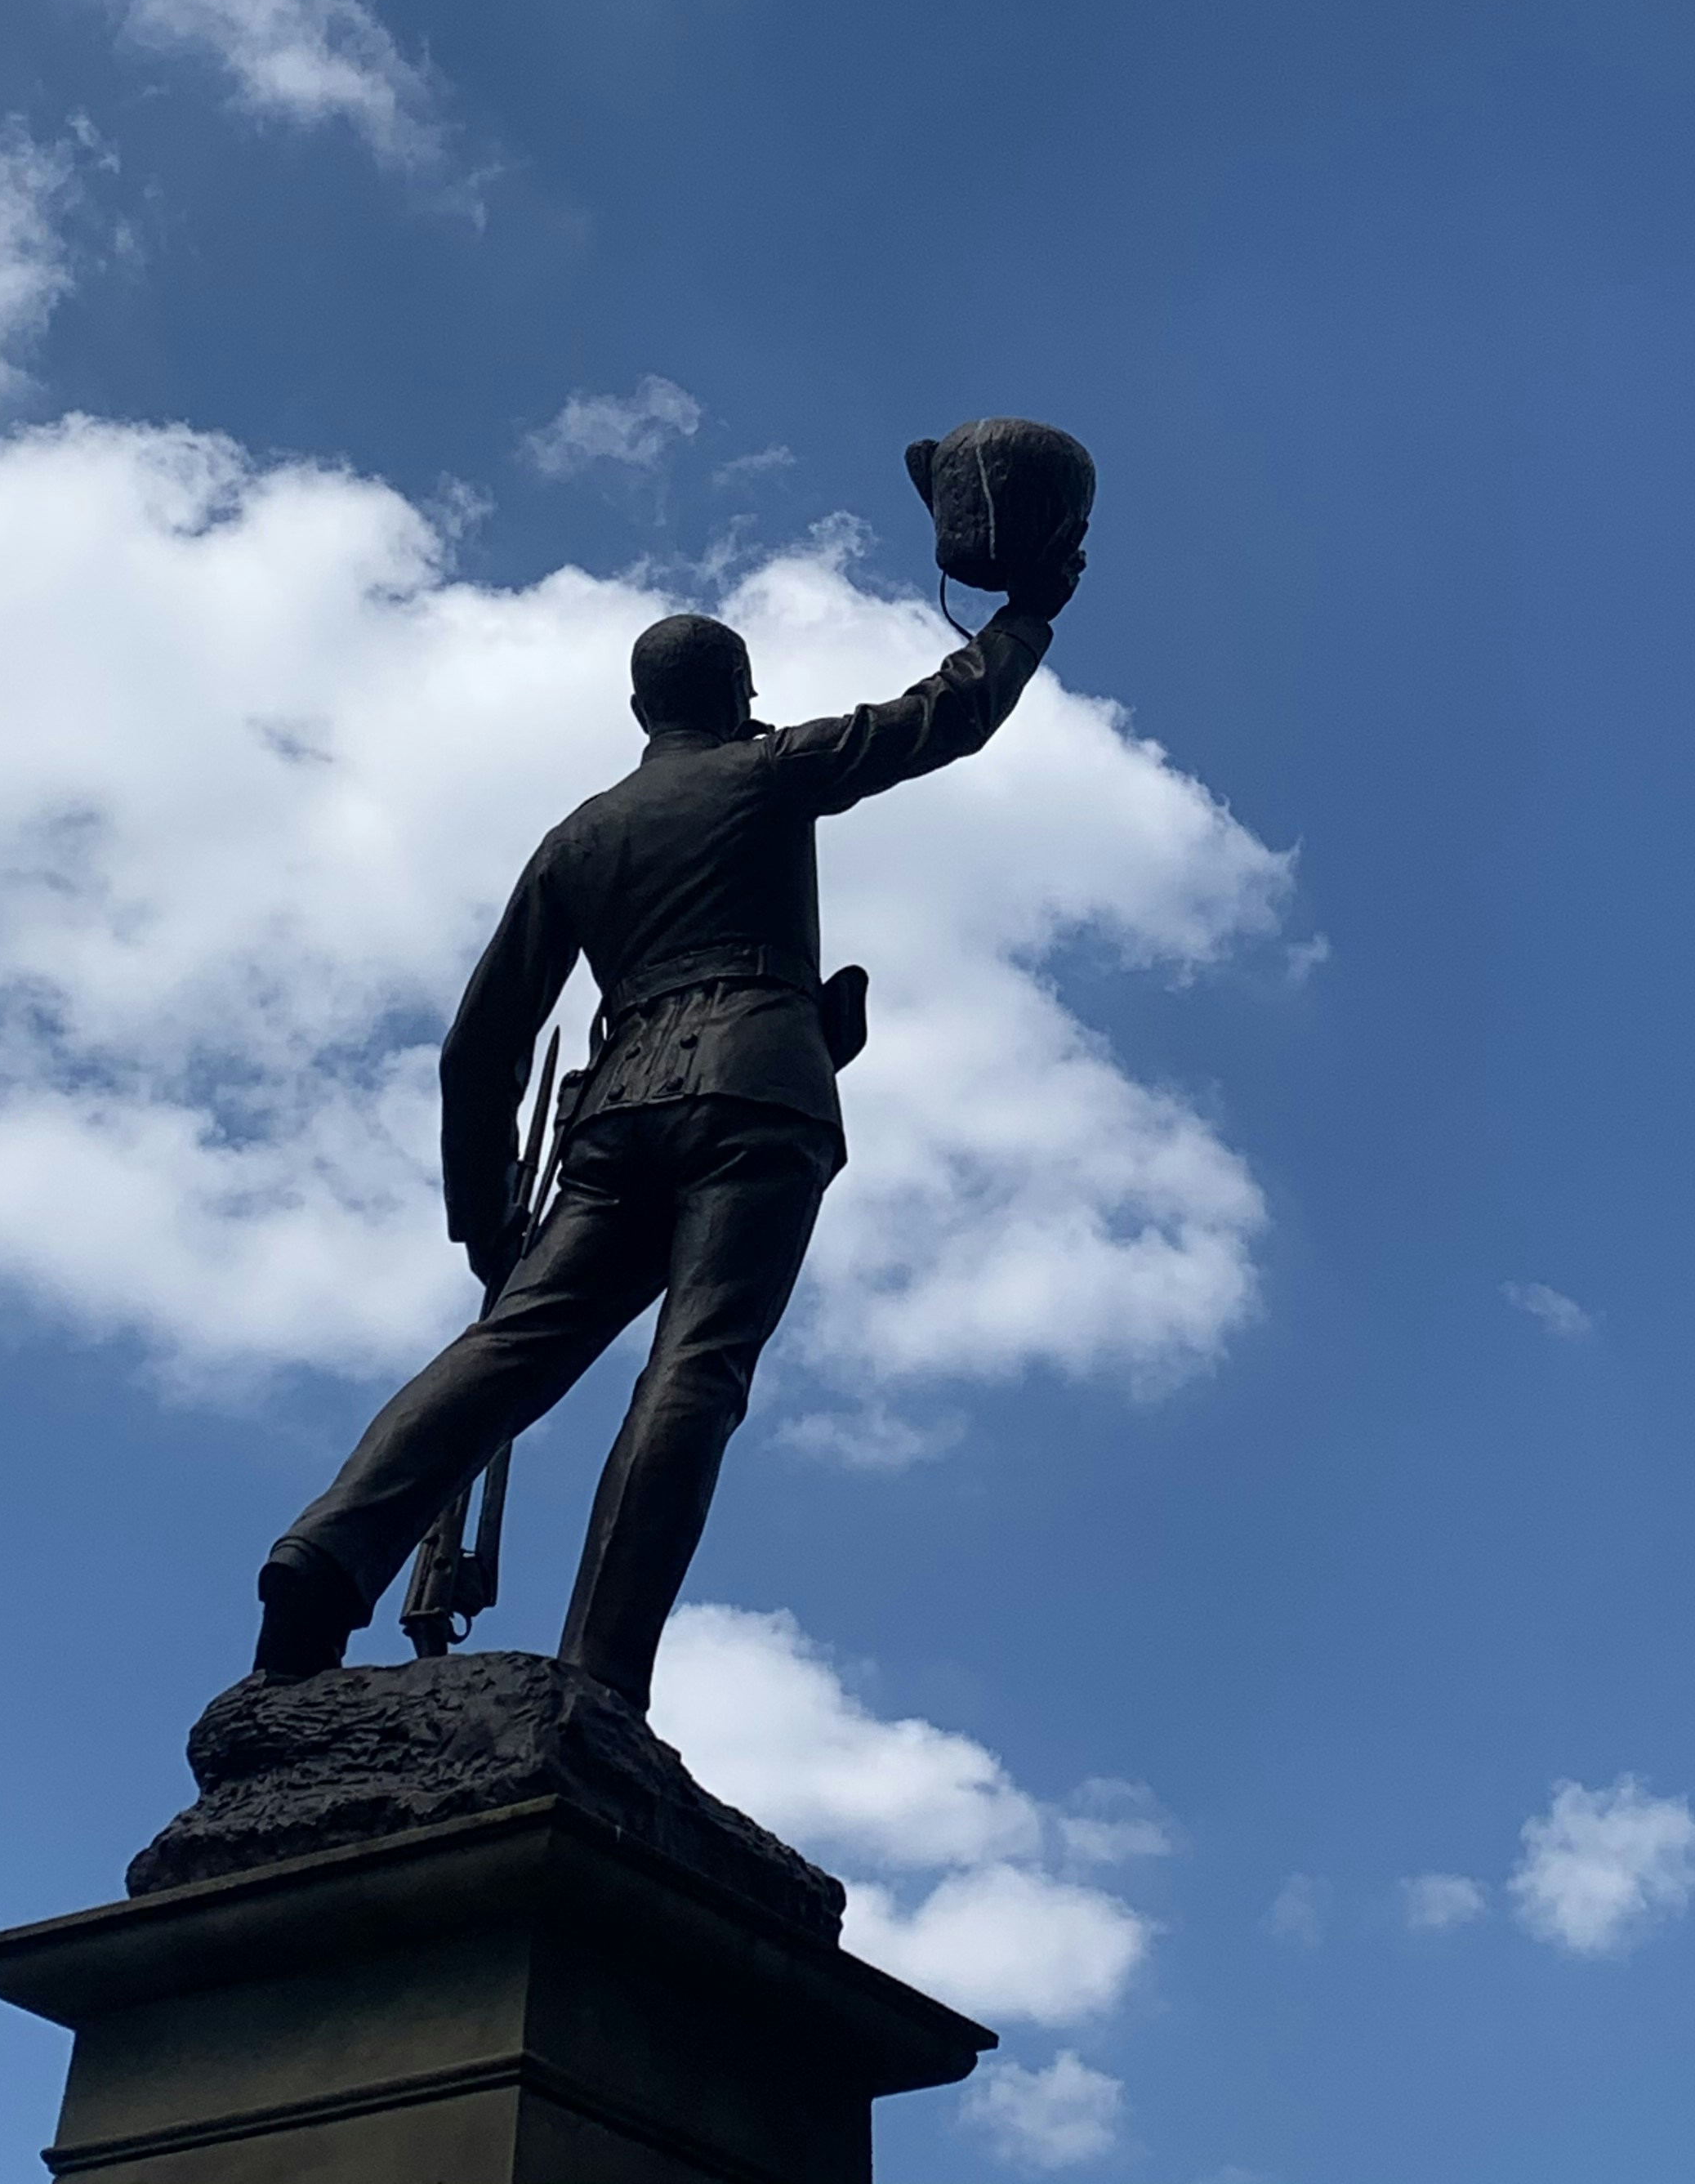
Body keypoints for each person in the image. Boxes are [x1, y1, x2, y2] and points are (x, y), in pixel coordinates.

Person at [252, 560, 1079, 1708]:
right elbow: (944, 716)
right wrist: (1027, 617)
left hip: (615, 1114)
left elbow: (477, 1049)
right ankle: (601, 1672)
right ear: (741, 692)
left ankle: (319, 1564)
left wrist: (486, 1220)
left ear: (640, 710)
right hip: (757, 1092)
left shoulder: (579, 837)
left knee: (509, 1349)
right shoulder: (770, 768)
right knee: (697, 1365)